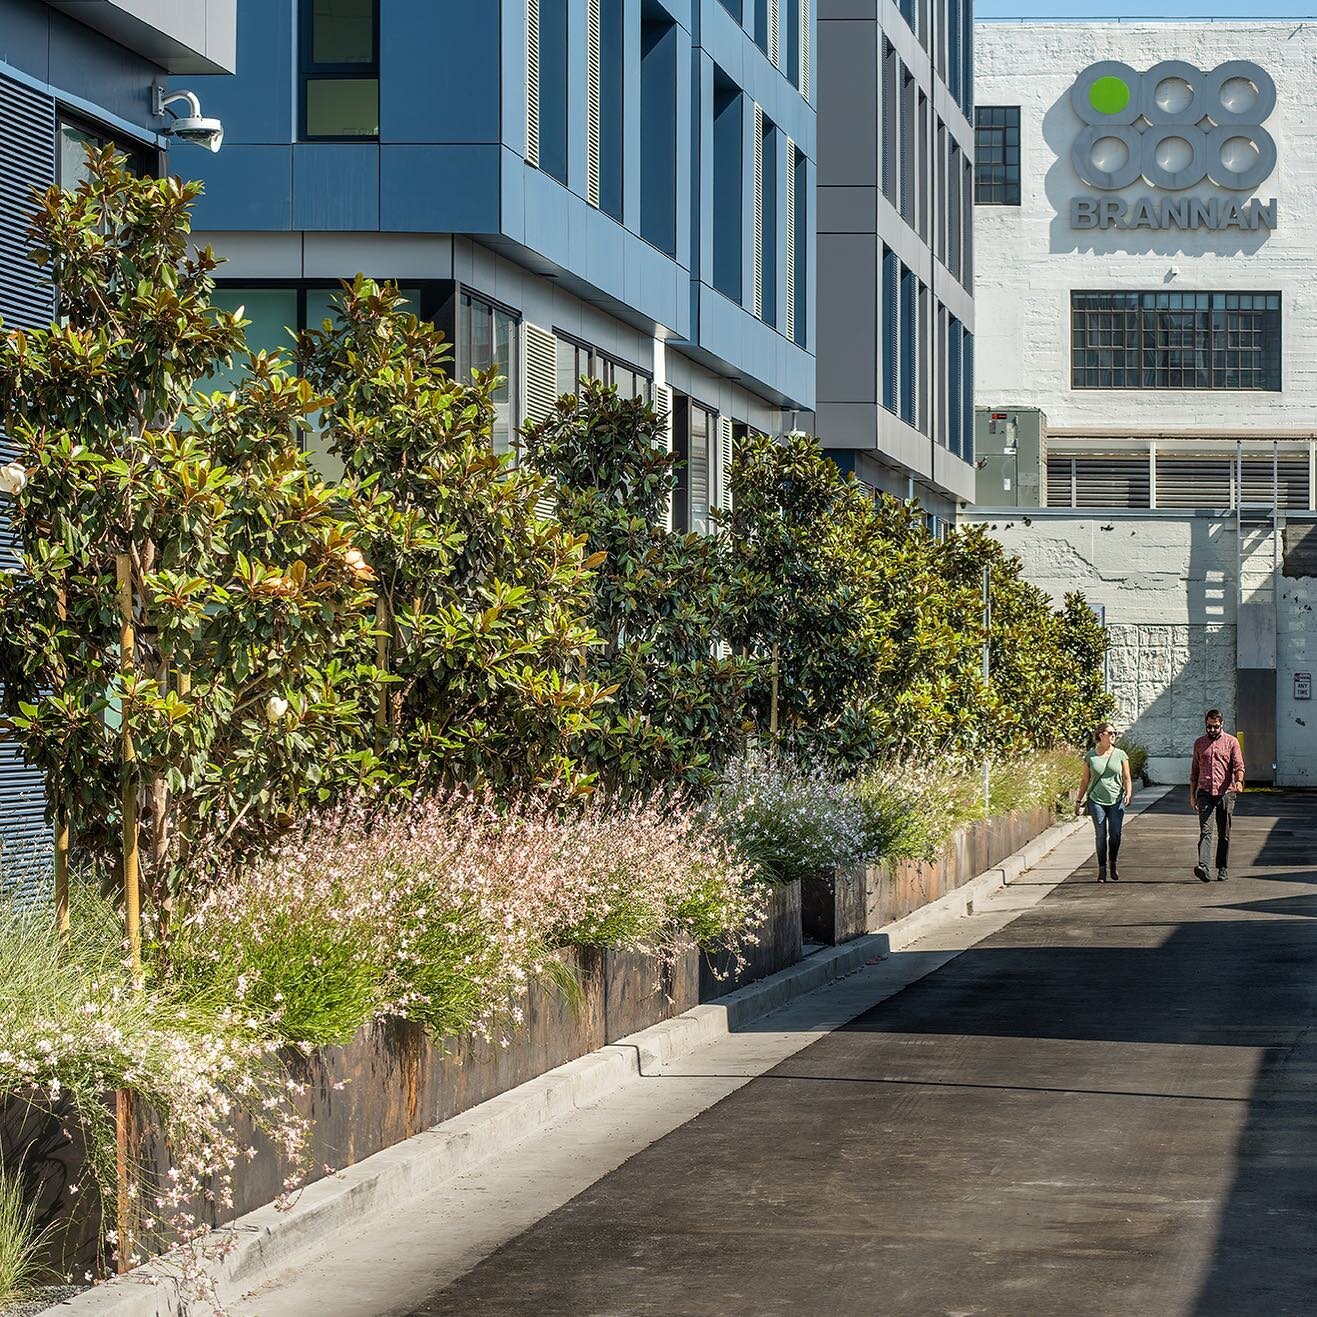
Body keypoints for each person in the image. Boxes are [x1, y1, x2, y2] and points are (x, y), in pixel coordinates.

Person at [1075, 721, 1133, 883]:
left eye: (1115, 733)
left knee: (1115, 835)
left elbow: (1127, 777)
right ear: (1101, 735)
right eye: (1110, 733)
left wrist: (1128, 793)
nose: (1114, 735)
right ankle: (1102, 869)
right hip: (1096, 800)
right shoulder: (1090, 756)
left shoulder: (1121, 754)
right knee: (1100, 835)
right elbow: (1085, 780)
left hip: (1116, 800)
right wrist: (1079, 800)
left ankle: (1112, 863)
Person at [1190, 709, 1245, 882]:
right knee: (1206, 830)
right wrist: (1192, 795)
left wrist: (1239, 781)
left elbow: (1239, 765)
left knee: (1224, 833)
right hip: (1205, 793)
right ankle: (1203, 867)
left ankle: (1222, 867)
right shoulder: (1199, 743)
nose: (1212, 730)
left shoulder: (1231, 742)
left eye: (1215, 727)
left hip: (1226, 793)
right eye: (1209, 727)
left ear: (1222, 724)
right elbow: (1194, 771)